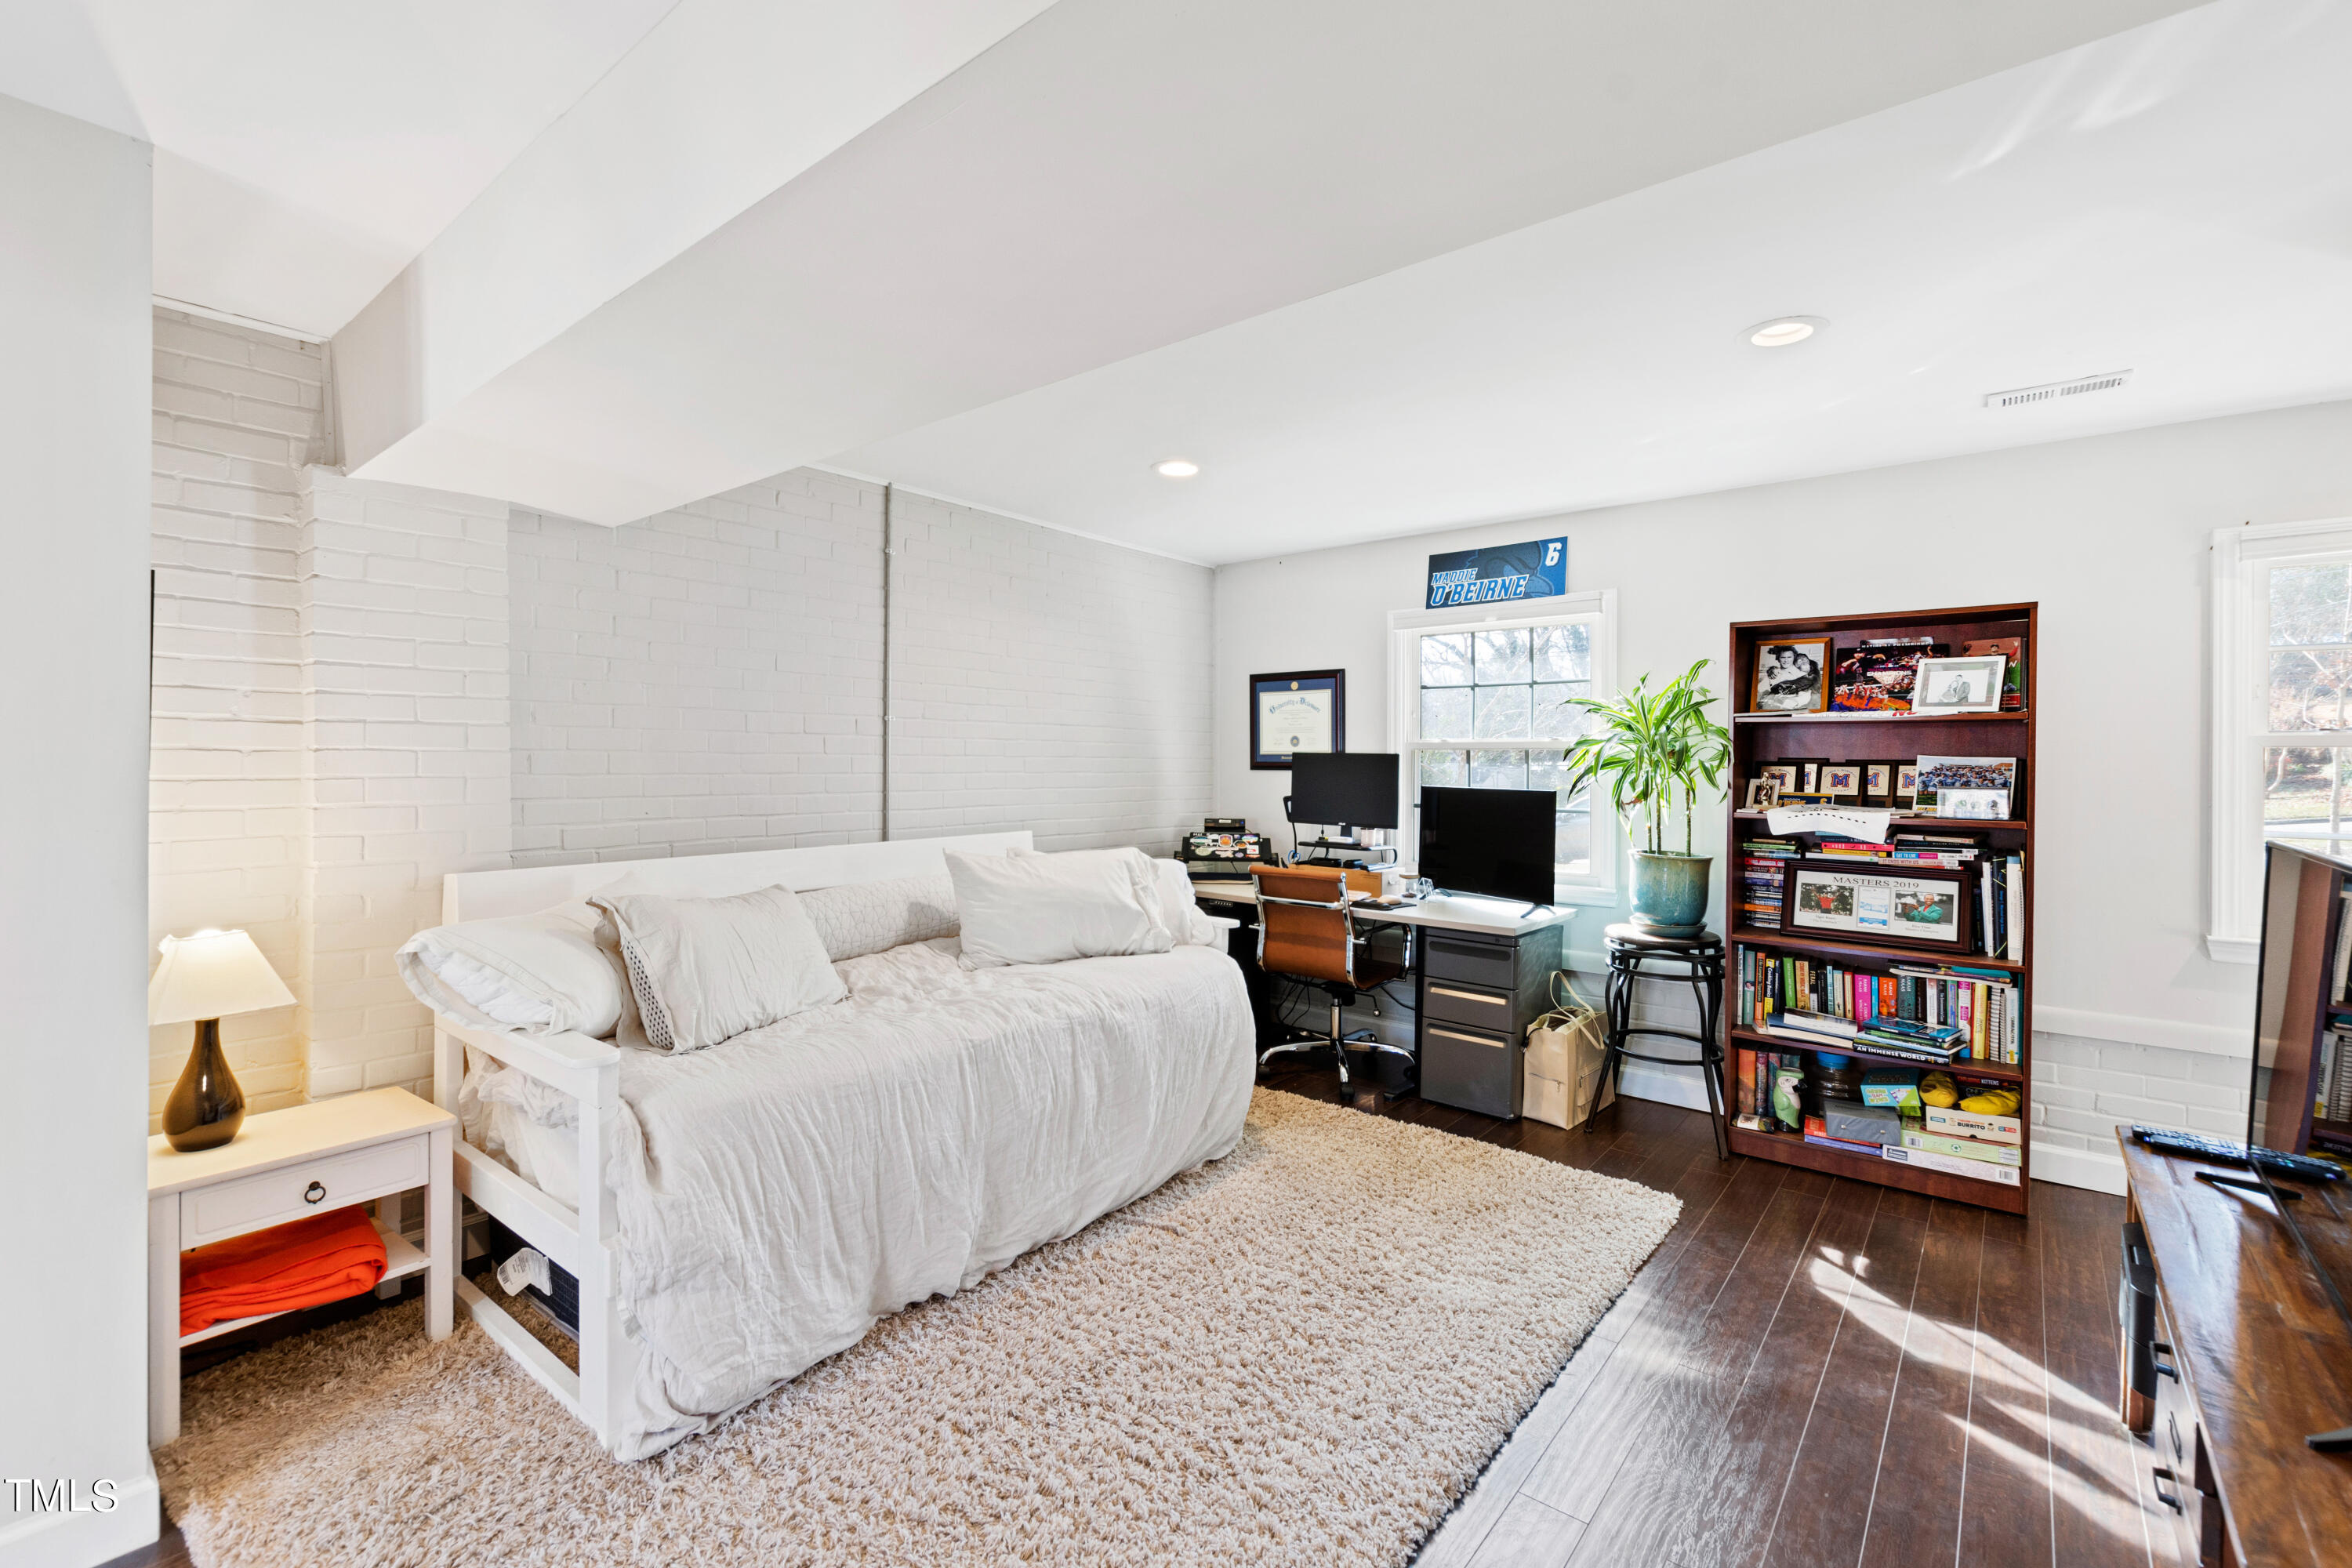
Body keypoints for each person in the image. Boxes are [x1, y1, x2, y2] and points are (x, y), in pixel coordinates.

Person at [1759, 645, 1819, 710]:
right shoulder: (1773, 674)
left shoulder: (1802, 675)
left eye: (1789, 657)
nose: (1786, 660)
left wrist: (1788, 702)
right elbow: (1760, 692)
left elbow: (1805, 697)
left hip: (1789, 709)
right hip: (1769, 709)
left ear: (1794, 658)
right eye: (1783, 657)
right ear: (1778, 659)